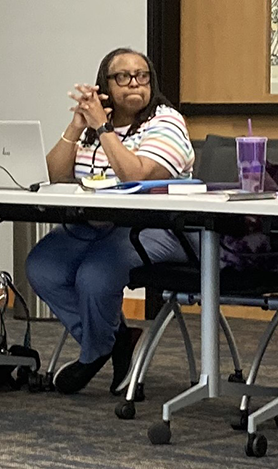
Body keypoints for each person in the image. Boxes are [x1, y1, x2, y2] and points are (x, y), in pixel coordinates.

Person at [28, 47, 195, 395]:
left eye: (142, 75)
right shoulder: (92, 129)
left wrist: (103, 127)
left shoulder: (165, 122)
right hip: (96, 224)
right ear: (105, 85)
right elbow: (57, 178)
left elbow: (134, 176)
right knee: (42, 266)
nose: (134, 82)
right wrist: (77, 126)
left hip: (156, 227)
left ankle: (94, 352)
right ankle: (115, 339)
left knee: (94, 276)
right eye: (123, 76)